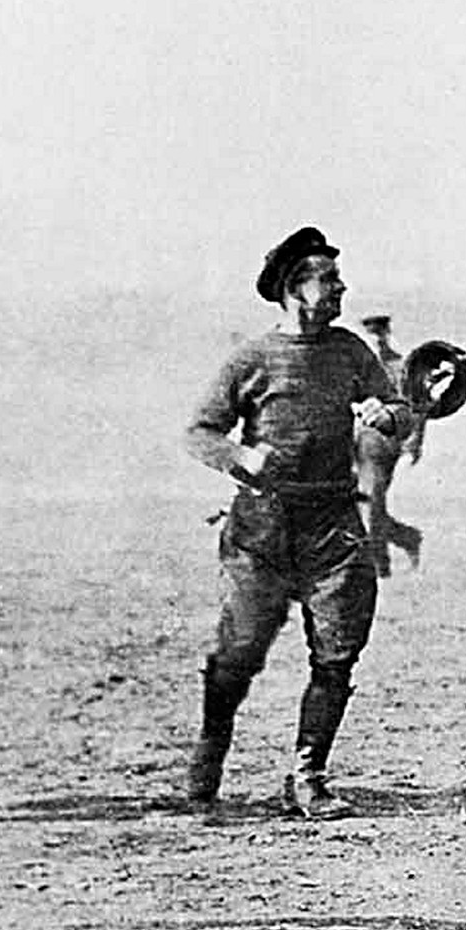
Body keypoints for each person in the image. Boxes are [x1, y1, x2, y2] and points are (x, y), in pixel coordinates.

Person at [183, 226, 416, 819]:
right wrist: (240, 458)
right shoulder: (252, 358)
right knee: (239, 652)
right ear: (294, 288)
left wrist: (383, 415)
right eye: (329, 279)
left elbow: (400, 412)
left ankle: (308, 776)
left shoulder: (350, 351)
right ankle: (211, 751)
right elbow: (201, 431)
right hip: (260, 528)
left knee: (337, 652)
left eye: (339, 279)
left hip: (332, 521)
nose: (342, 289)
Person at [354, 314, 426, 577]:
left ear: (386, 334)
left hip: (385, 445)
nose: (376, 341)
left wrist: (412, 447)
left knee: (371, 501)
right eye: (370, 336)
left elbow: (416, 409)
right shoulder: (359, 366)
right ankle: (406, 538)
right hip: (354, 444)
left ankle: (378, 566)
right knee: (360, 503)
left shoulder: (401, 367)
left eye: (379, 335)